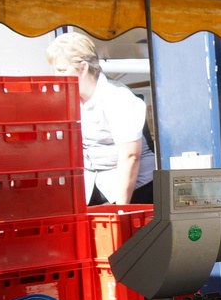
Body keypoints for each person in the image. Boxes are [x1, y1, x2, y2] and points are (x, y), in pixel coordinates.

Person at [47, 32, 153, 206]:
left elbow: (130, 155)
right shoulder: (70, 99)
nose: (56, 77)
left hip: (133, 188)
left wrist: (121, 209)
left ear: (83, 68)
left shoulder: (116, 97)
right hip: (95, 184)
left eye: (62, 70)